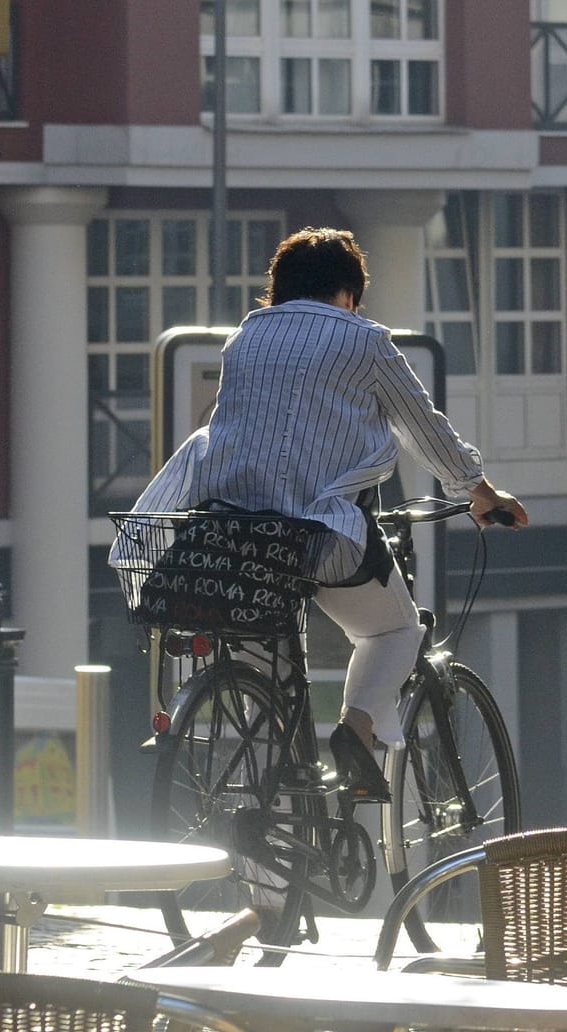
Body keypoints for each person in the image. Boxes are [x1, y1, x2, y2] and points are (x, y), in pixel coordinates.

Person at [119, 227, 527, 801]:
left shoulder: (244, 340)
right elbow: (423, 427)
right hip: (317, 538)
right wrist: (479, 491)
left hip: (234, 543)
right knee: (394, 628)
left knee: (264, 702)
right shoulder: (365, 341)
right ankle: (357, 731)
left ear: (279, 290)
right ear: (348, 293)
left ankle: (263, 885)